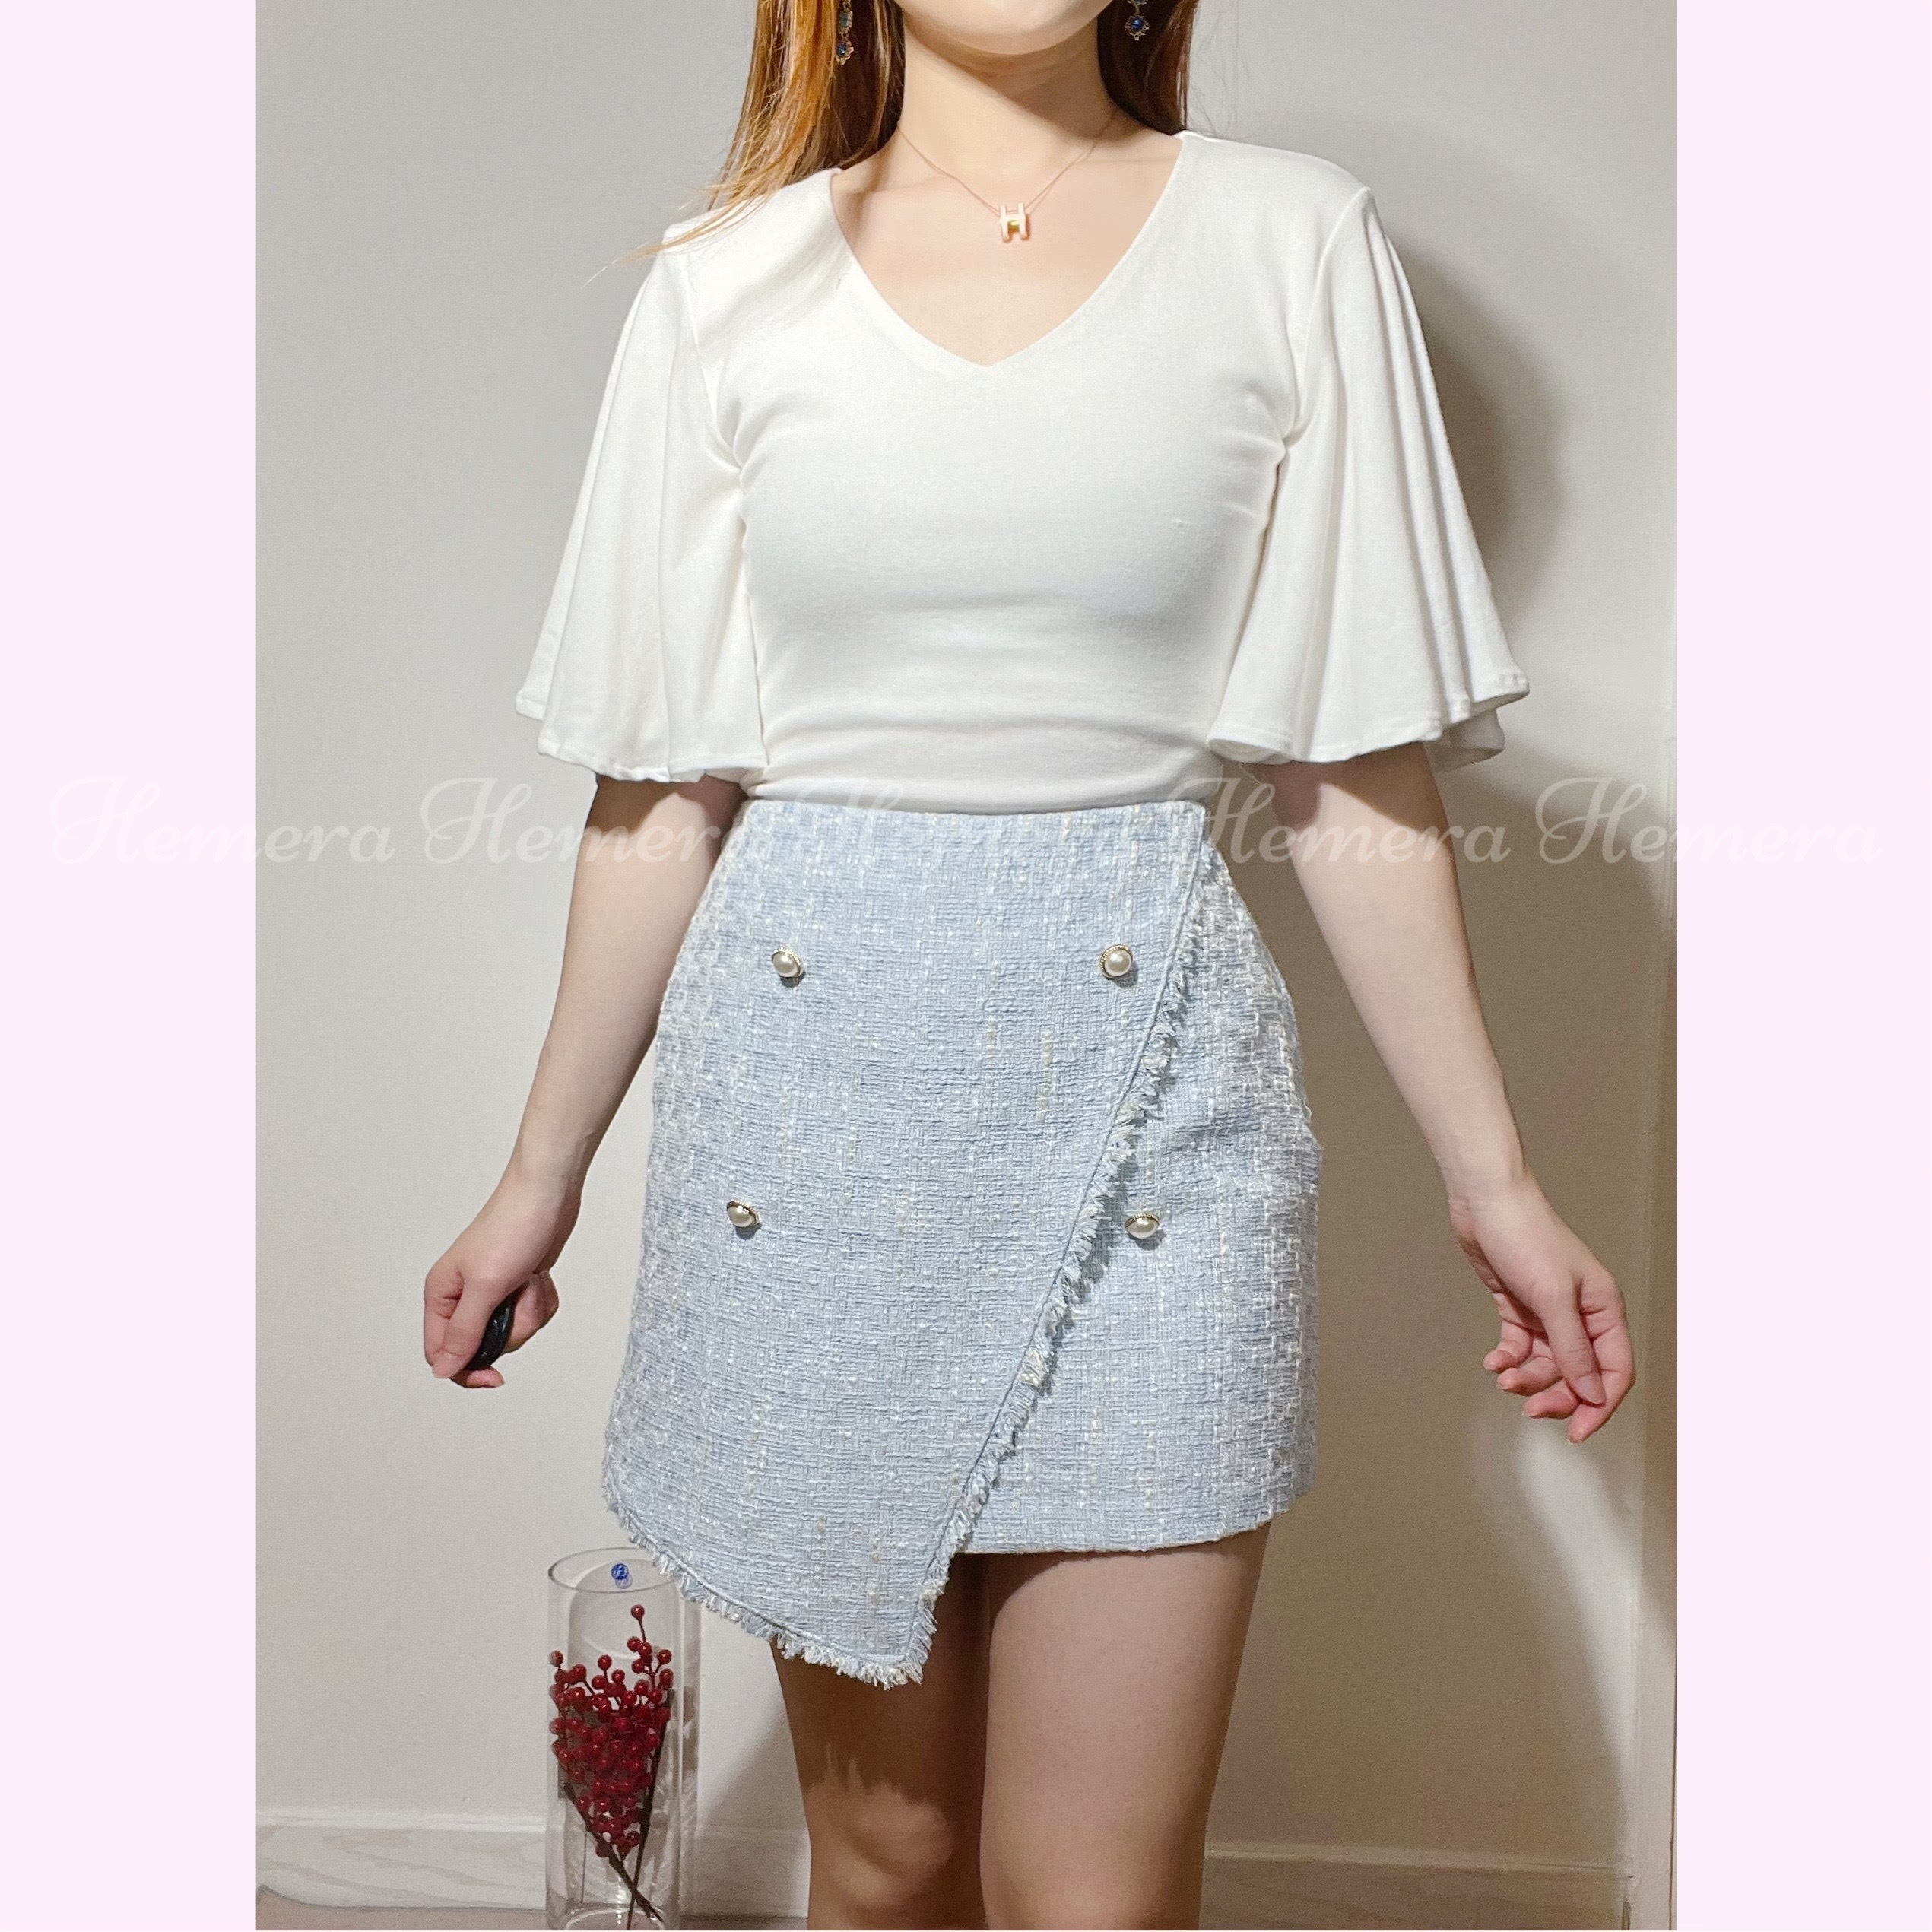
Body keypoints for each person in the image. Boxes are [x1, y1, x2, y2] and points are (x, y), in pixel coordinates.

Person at [423, 3, 1635, 1924]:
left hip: (1159, 1119)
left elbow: (1348, 765)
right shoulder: (720, 287)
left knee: (1098, 1885)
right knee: (886, 1855)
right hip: (811, 1120)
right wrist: (533, 1177)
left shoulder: (1291, 239)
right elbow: (659, 790)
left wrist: (1495, 1180)